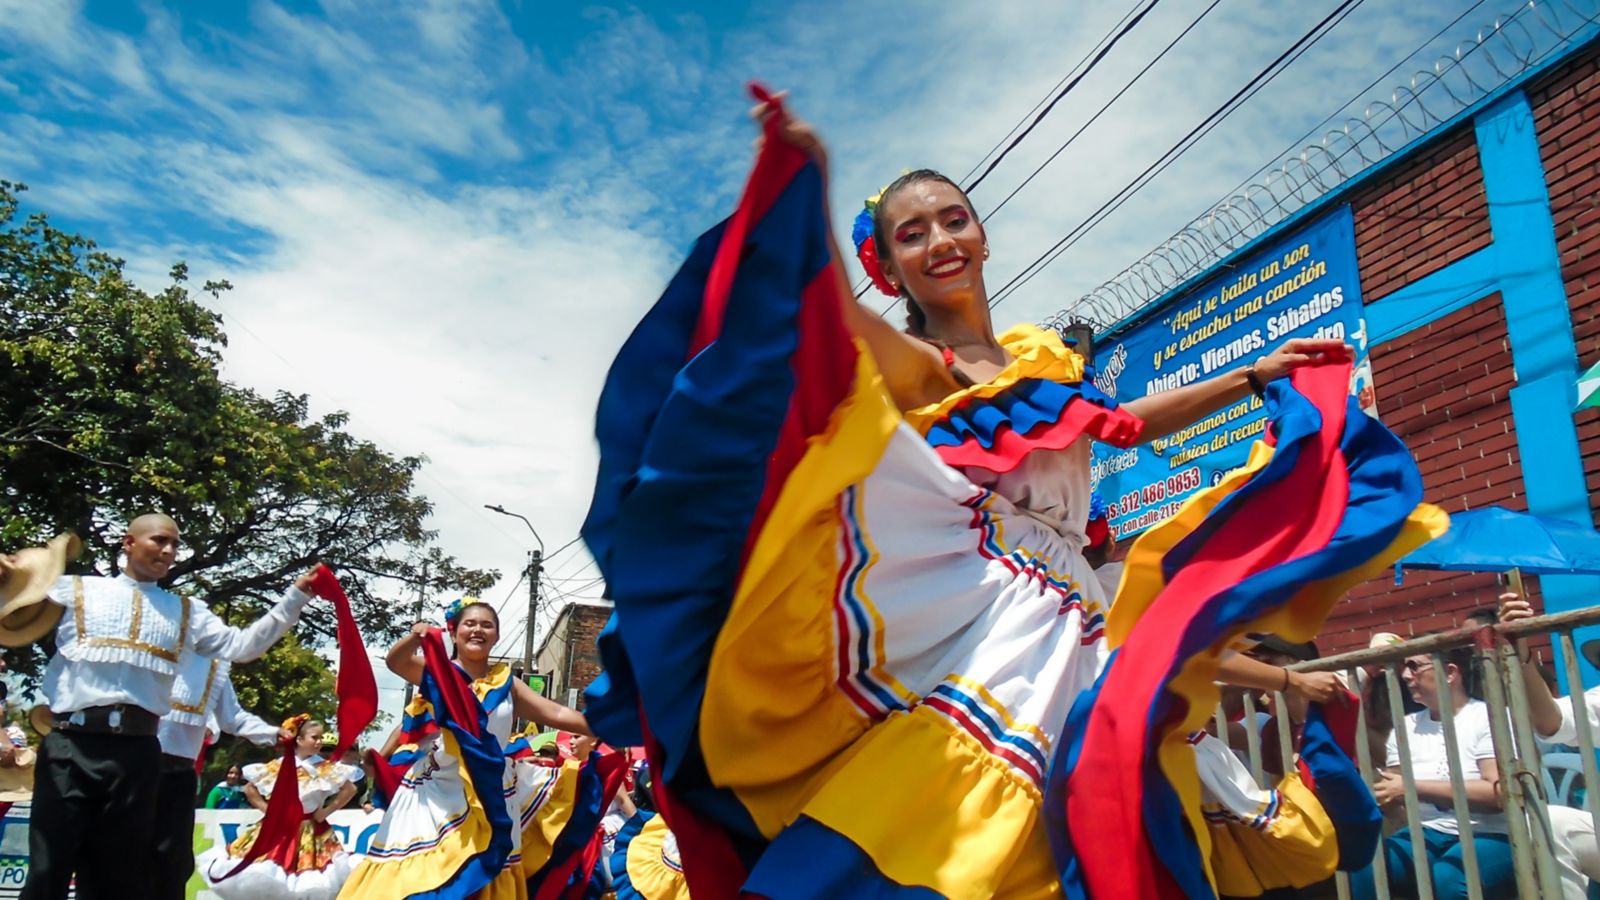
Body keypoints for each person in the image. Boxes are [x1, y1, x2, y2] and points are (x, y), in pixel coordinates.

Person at [580, 91, 1442, 898]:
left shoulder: (1043, 361)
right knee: (953, 825)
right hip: (986, 615)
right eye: (911, 234)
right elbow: (838, 323)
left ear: (984, 235)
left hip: (1079, 618)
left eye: (954, 220)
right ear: (888, 266)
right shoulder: (932, 369)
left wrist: (1250, 374)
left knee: (1103, 824)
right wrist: (807, 196)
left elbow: (1122, 421)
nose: (941, 241)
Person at [3, 513, 318, 900]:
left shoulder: (186, 611)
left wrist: (295, 597)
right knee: (49, 865)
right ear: (129, 542)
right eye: (158, 540)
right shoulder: (74, 590)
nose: (167, 551)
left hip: (137, 752)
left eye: (174, 544)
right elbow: (15, 606)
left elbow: (243, 646)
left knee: (116, 874)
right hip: (71, 743)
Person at [339, 599, 591, 898]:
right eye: (470, 623)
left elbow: (557, 713)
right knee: (425, 874)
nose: (478, 630)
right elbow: (397, 662)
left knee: (486, 868)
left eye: (487, 625)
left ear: (496, 636)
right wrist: (416, 637)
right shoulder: (437, 671)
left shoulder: (506, 683)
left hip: (492, 790)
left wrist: (608, 727)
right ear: (454, 632)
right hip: (437, 792)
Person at [1347, 645, 1514, 900]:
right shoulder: (1406, 726)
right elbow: (1395, 794)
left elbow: (1496, 795)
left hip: (1491, 832)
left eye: (1414, 666)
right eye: (1405, 667)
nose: (1405, 675)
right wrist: (1380, 799)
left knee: (1448, 877)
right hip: (1425, 832)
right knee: (1365, 863)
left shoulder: (1486, 716)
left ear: (1449, 672)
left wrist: (1412, 788)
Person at [154, 654, 285, 899]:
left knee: (172, 862)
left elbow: (233, 717)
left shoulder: (207, 663)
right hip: (127, 762)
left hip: (177, 773)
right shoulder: (135, 647)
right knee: (118, 857)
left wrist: (272, 734)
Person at [196, 715, 361, 899]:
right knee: (267, 874)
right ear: (299, 739)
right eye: (314, 737)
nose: (319, 742)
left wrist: (325, 811)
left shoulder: (325, 768)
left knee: (308, 882)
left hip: (310, 829)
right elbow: (250, 788)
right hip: (277, 830)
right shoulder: (279, 766)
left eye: (320, 738)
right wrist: (269, 811)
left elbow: (350, 789)